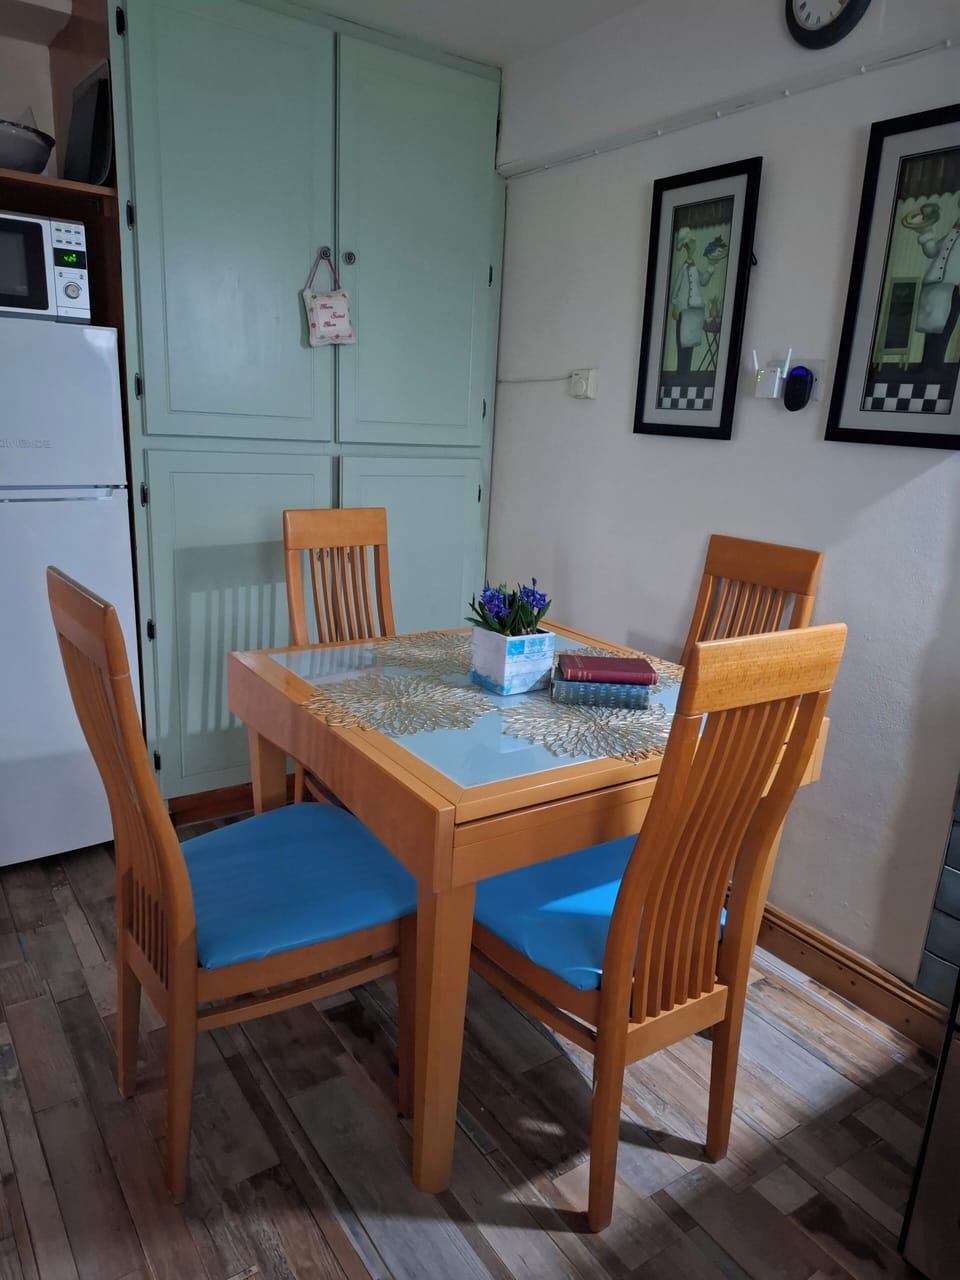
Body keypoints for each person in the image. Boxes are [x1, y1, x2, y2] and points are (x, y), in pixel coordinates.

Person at [907, 205, 960, 373]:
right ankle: (927, 365)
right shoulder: (952, 234)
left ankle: (935, 366)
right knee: (931, 327)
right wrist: (925, 231)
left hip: (952, 287)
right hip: (935, 286)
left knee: (944, 329)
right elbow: (932, 251)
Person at [669, 228, 716, 374]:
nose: (694, 244)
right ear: (687, 244)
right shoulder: (684, 268)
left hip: (695, 310)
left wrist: (710, 268)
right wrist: (675, 304)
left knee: (690, 342)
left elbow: (703, 281)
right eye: (691, 242)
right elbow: (676, 288)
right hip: (685, 310)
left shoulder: (695, 267)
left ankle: (686, 371)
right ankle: (681, 371)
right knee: (683, 342)